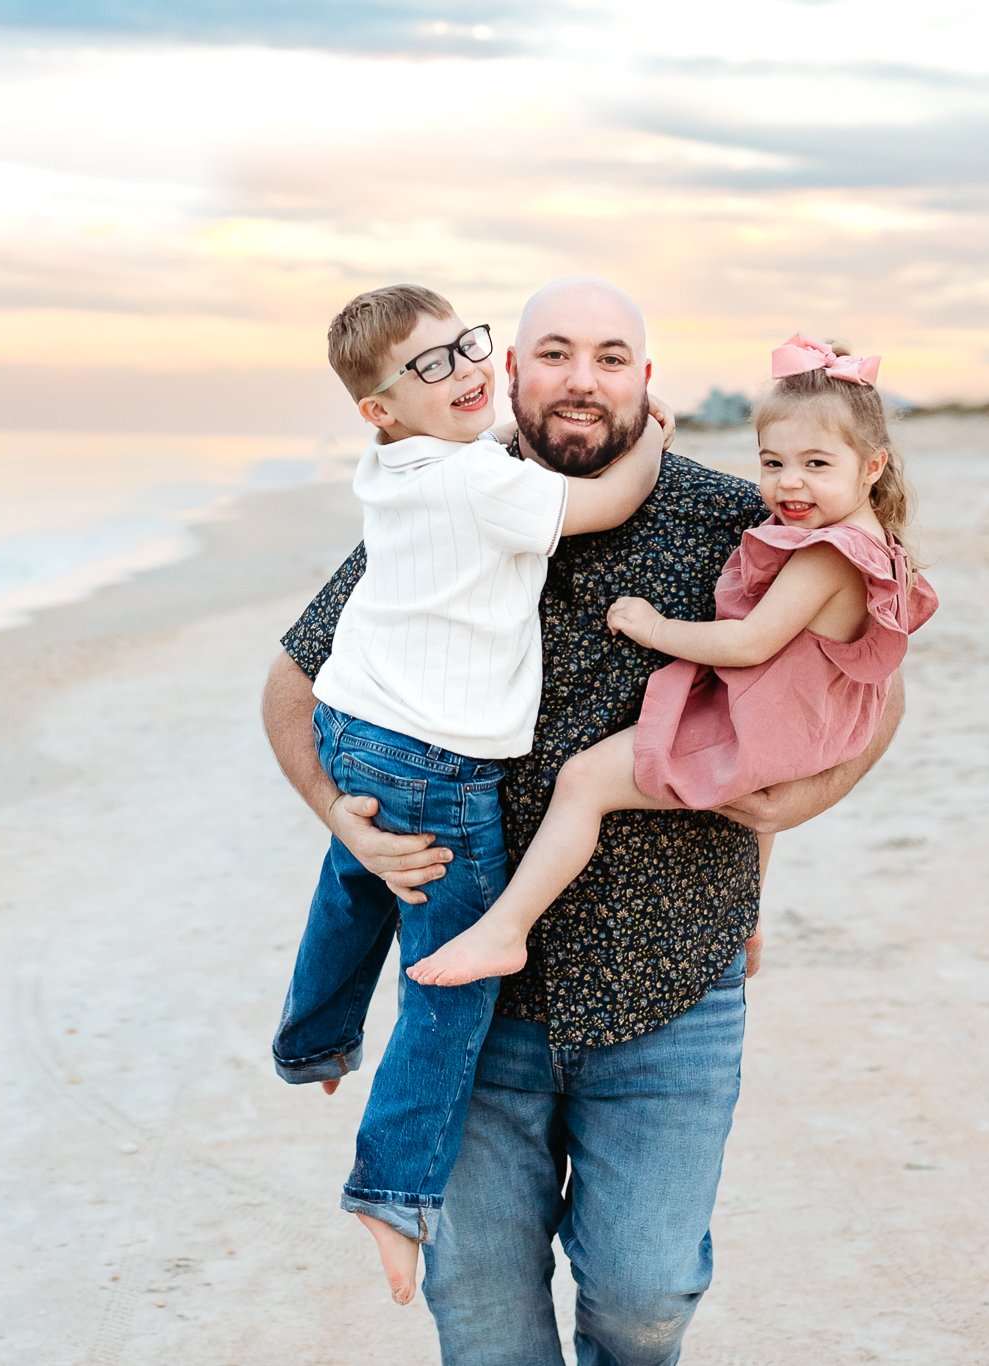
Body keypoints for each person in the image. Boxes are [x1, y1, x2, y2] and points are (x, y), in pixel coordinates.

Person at [263, 278, 905, 1363]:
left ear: (643, 383)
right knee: (479, 1314)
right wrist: (346, 822)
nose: (580, 377)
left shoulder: (731, 522)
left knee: (648, 1297)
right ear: (509, 375)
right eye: (552, 352)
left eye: (610, 356)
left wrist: (782, 811)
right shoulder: (445, 505)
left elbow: (866, 690)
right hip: (475, 998)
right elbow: (291, 688)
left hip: (671, 980)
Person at [270, 284, 666, 1305]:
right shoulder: (482, 487)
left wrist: (467, 415)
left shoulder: (397, 466)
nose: (468, 373)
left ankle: (311, 1035)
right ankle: (390, 1187)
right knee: (454, 980)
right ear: (380, 408)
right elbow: (605, 504)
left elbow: (478, 438)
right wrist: (651, 440)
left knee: (356, 882)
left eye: (466, 347)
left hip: (354, 730)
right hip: (438, 759)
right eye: (432, 367)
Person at [407, 331, 937, 988]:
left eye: (816, 465)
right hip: (798, 723)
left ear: (872, 466)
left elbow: (748, 644)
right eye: (772, 463)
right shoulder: (866, 536)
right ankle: (747, 913)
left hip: (771, 727)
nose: (788, 483)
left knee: (585, 782)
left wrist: (652, 626)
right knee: (753, 794)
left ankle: (506, 931)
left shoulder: (828, 554)